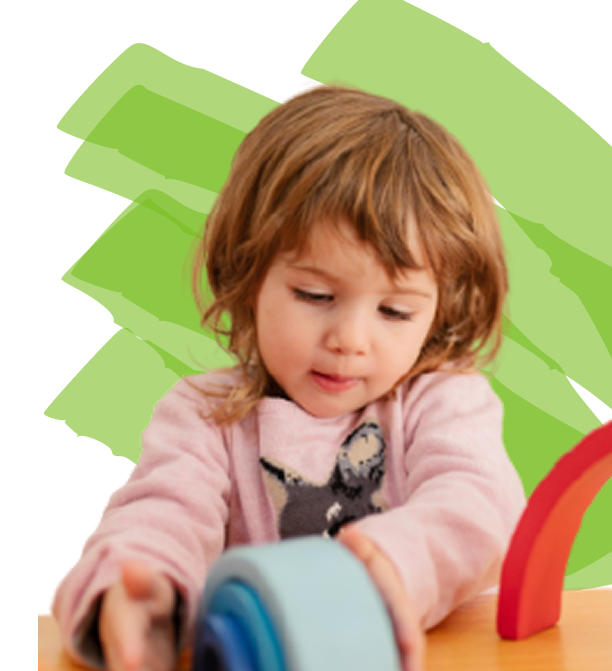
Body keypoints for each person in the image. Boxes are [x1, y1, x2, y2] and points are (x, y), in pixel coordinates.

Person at [47, 81, 526, 671]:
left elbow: (479, 507)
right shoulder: (207, 416)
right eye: (315, 294)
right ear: (250, 274)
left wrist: (393, 567)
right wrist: (138, 593)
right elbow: (159, 515)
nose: (349, 339)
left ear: (438, 310)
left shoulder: (444, 401)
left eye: (395, 311)